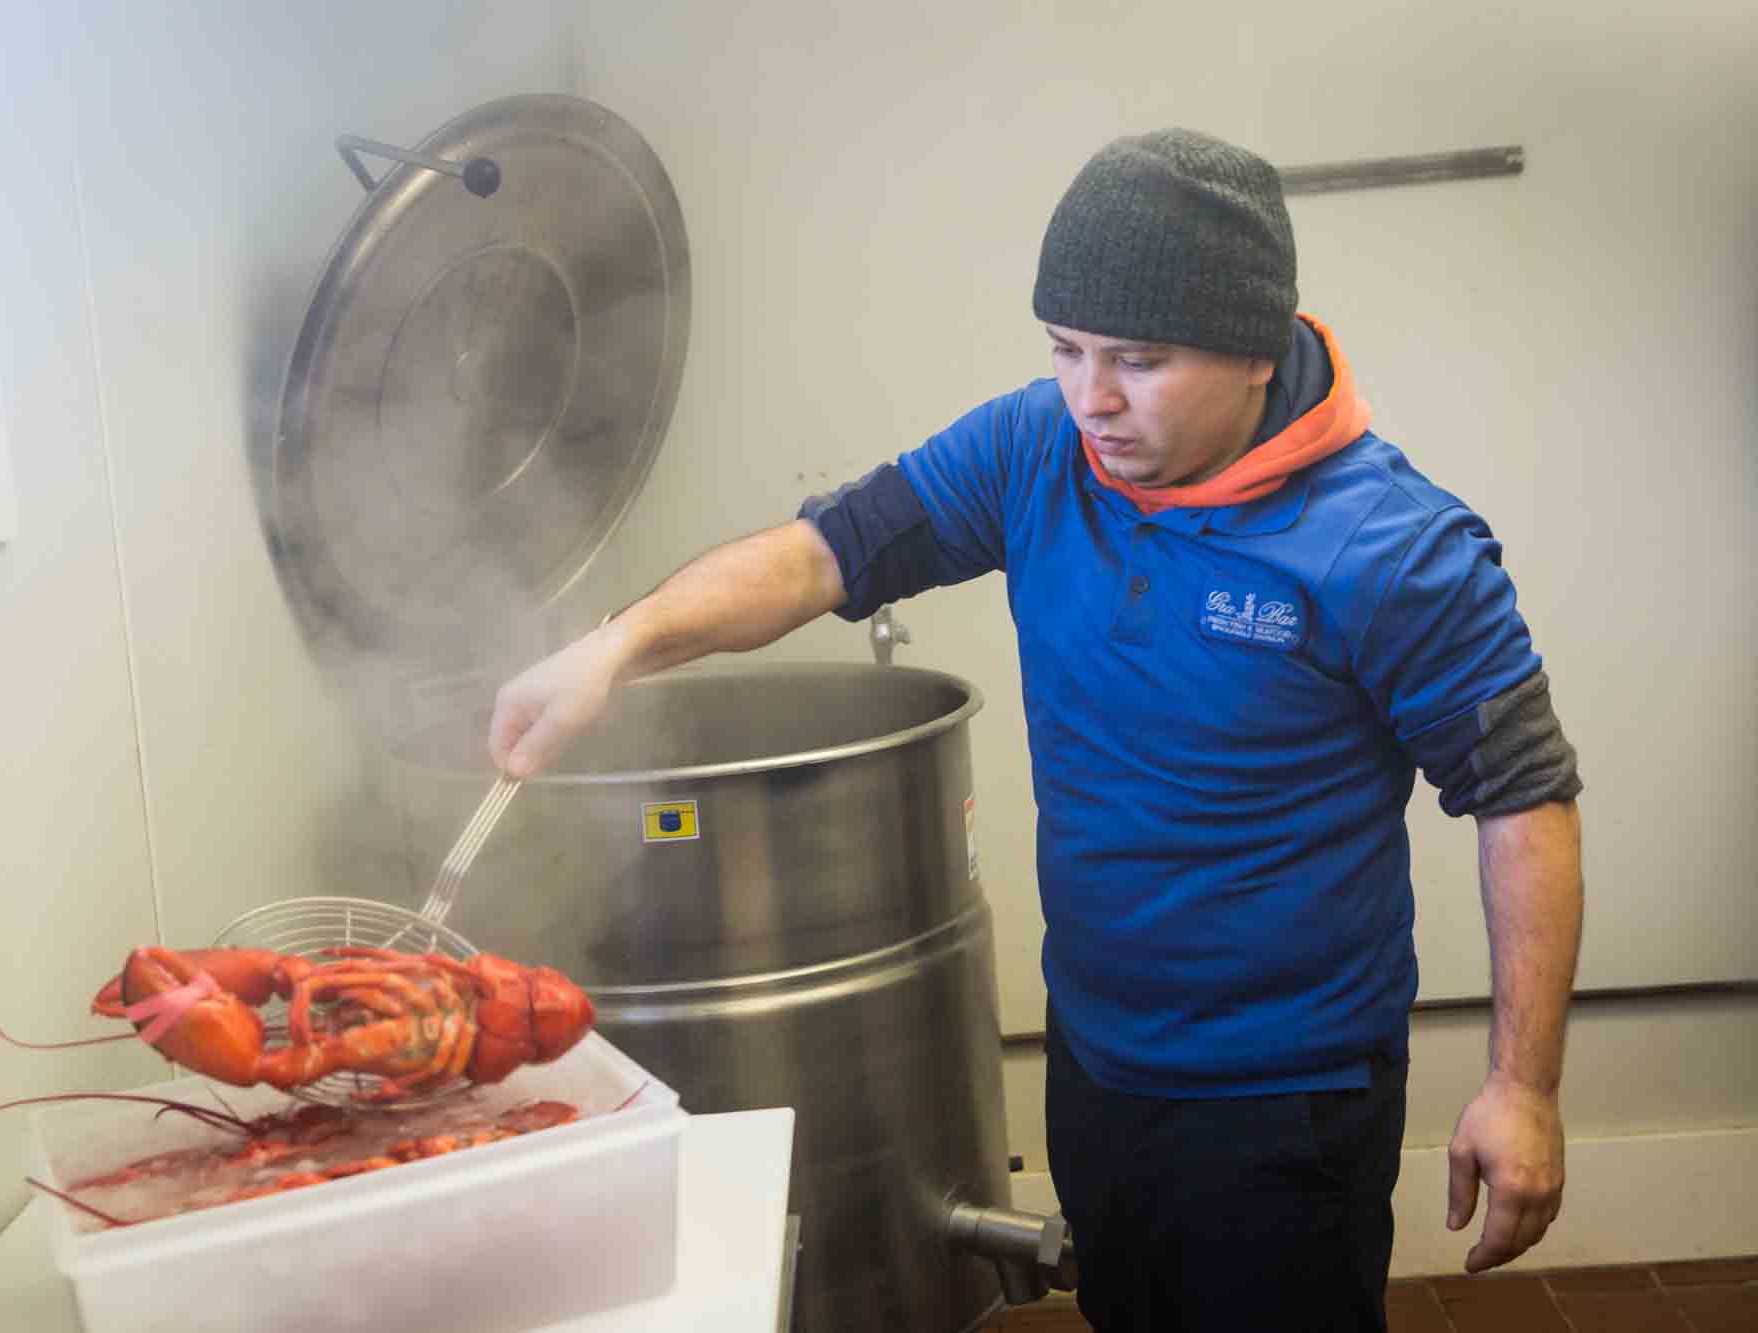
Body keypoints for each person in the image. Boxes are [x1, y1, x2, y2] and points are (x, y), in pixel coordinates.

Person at [487, 128, 1584, 1332]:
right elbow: (823, 553)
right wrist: (617, 645)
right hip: (1099, 1059)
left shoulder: (1394, 547)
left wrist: (1520, 1084)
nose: (1091, 398)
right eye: (1065, 350)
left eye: (1139, 360)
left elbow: (1521, 796)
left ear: (1255, 352)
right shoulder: (1034, 449)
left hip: (1286, 1098)